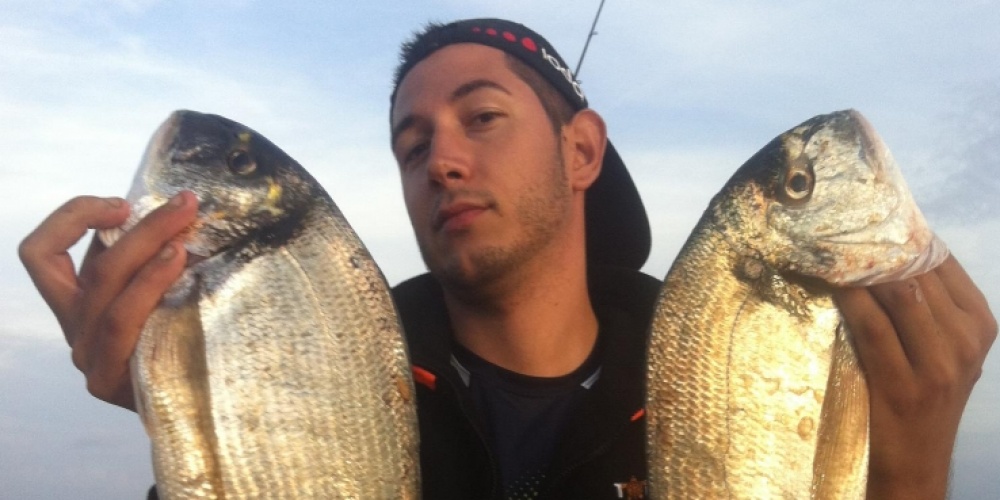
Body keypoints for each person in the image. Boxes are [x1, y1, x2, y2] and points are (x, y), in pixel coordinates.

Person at [18, 17, 996, 500]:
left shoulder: (743, 371)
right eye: (410, 145)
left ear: (581, 151)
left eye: (482, 116)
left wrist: (909, 475)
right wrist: (196, 415)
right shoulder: (331, 367)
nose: (440, 156)